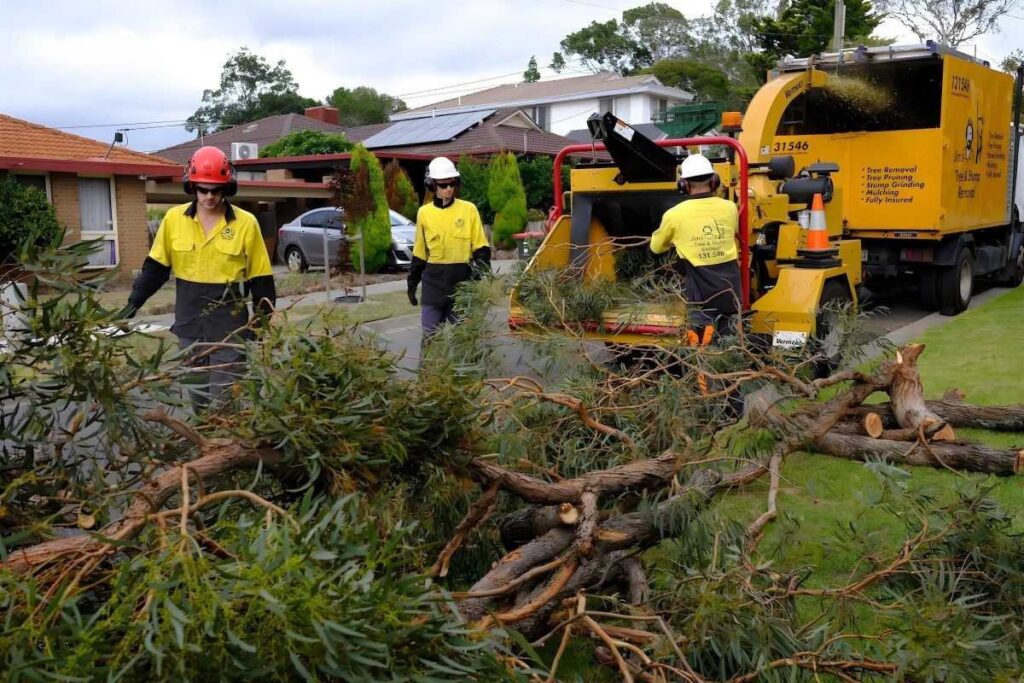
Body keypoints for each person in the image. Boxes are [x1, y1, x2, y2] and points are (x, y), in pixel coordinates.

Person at [126, 145, 276, 410]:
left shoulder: (245, 223)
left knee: (225, 403)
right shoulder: (174, 219)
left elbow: (261, 279)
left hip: (230, 331)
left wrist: (259, 327)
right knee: (199, 402)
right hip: (189, 329)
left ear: (227, 188)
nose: (209, 196)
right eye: (203, 189)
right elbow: (156, 268)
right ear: (191, 186)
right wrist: (132, 304)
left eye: (216, 190)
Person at [650, 153, 742, 346]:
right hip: (730, 290)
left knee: (700, 342)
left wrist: (677, 240)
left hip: (699, 294)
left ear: (683, 185)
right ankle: (727, 370)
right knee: (727, 340)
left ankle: (702, 372)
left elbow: (656, 248)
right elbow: (732, 231)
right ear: (714, 180)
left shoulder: (674, 215)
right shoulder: (730, 208)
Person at [407, 156, 491, 342]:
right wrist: (412, 283)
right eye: (443, 185)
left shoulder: (468, 210)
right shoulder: (424, 213)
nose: (449, 189)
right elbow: (420, 252)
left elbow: (481, 246)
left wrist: (481, 271)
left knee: (466, 339)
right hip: (433, 283)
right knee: (430, 337)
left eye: (452, 184)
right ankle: (429, 370)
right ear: (432, 186)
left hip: (461, 282)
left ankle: (470, 370)